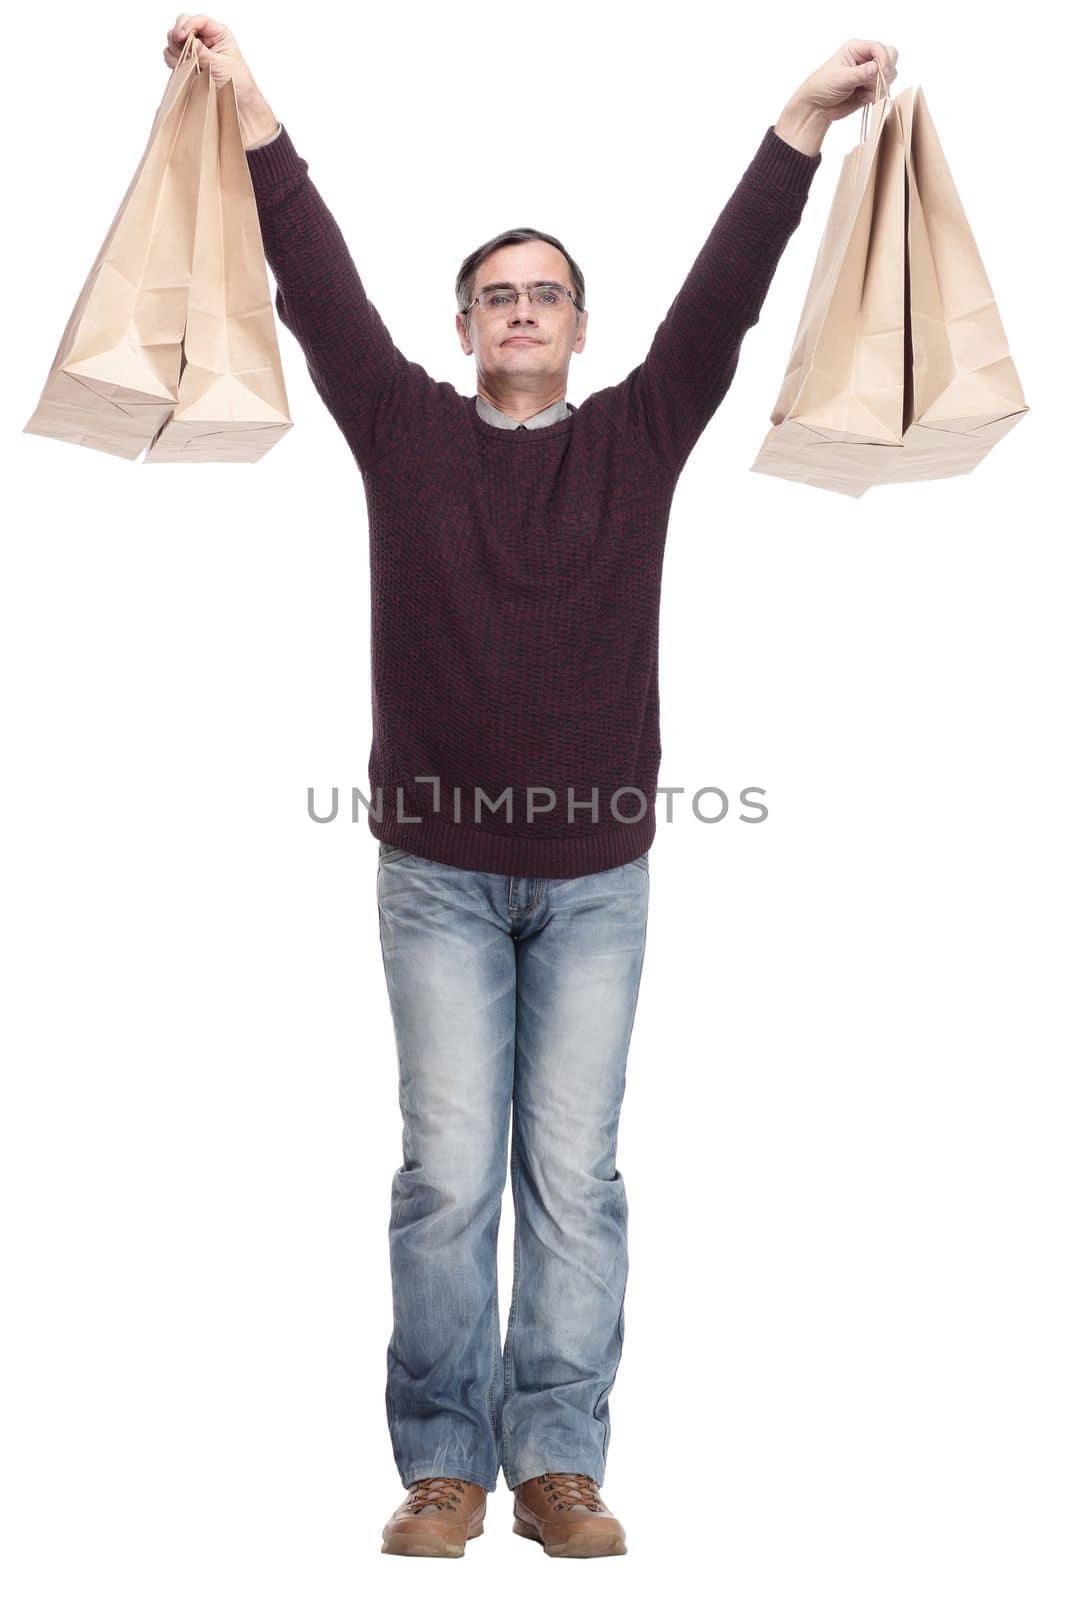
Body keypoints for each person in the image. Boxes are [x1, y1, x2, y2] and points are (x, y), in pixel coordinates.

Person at [164, 15, 897, 1558]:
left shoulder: (640, 434)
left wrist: (798, 126)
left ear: (577, 326)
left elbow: (729, 300)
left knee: (576, 1173)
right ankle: (442, 1464)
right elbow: (316, 284)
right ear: (462, 327)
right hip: (433, 867)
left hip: (600, 881)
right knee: (446, 1175)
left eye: (543, 294)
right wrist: (250, 111)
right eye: (495, 295)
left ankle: (558, 1456)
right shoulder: (407, 435)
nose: (519, 312)